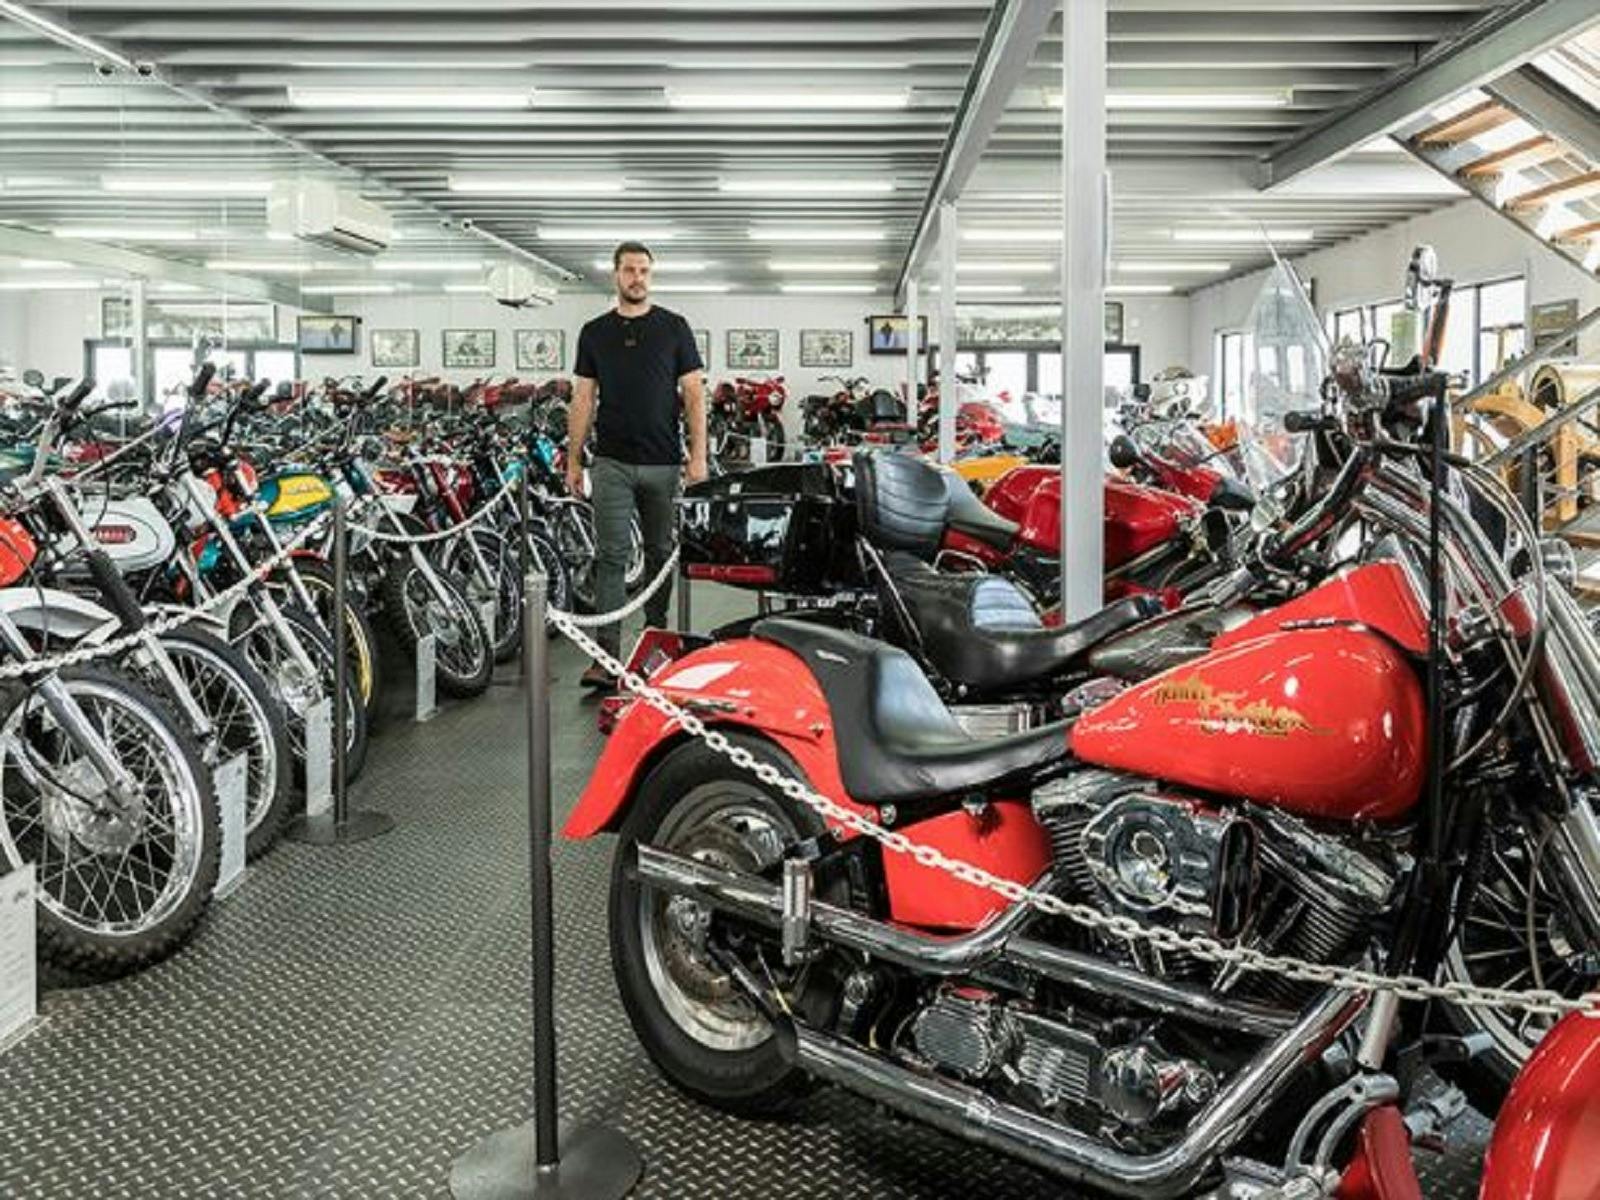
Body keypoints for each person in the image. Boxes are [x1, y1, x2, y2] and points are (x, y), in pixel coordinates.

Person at [568, 241, 708, 689]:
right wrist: (574, 460)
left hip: (664, 463)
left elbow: (693, 395)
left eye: (644, 270)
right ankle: (606, 657)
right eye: (629, 270)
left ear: (651, 275)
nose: (637, 278)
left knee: (660, 554)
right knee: (610, 557)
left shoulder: (674, 328)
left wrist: (699, 454)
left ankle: (655, 647)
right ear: (615, 275)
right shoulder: (594, 332)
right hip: (610, 463)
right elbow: (583, 398)